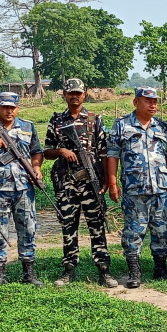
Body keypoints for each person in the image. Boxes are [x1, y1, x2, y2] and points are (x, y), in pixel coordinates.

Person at [45, 78, 118, 288]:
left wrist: (105, 181)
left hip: (91, 182)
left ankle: (104, 270)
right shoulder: (57, 120)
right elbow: (47, 151)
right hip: (66, 183)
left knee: (97, 225)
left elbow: (104, 152)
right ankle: (69, 270)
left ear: (84, 95)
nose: (74, 96)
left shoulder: (95, 119)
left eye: (78, 93)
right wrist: (61, 151)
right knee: (69, 226)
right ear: (65, 95)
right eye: (71, 93)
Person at [106, 86, 167, 289]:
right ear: (136, 102)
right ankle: (134, 272)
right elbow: (112, 154)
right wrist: (112, 183)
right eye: (148, 101)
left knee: (161, 230)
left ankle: (160, 269)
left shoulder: (161, 127)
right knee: (133, 232)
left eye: (155, 101)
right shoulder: (121, 125)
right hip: (134, 189)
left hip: (160, 189)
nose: (153, 104)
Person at [0, 91, 44, 287]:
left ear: (18, 108)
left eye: (12, 107)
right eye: (5, 107)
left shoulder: (28, 126)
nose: (9, 111)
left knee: (28, 230)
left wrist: (37, 168)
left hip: (24, 188)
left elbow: (37, 151)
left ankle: (28, 274)